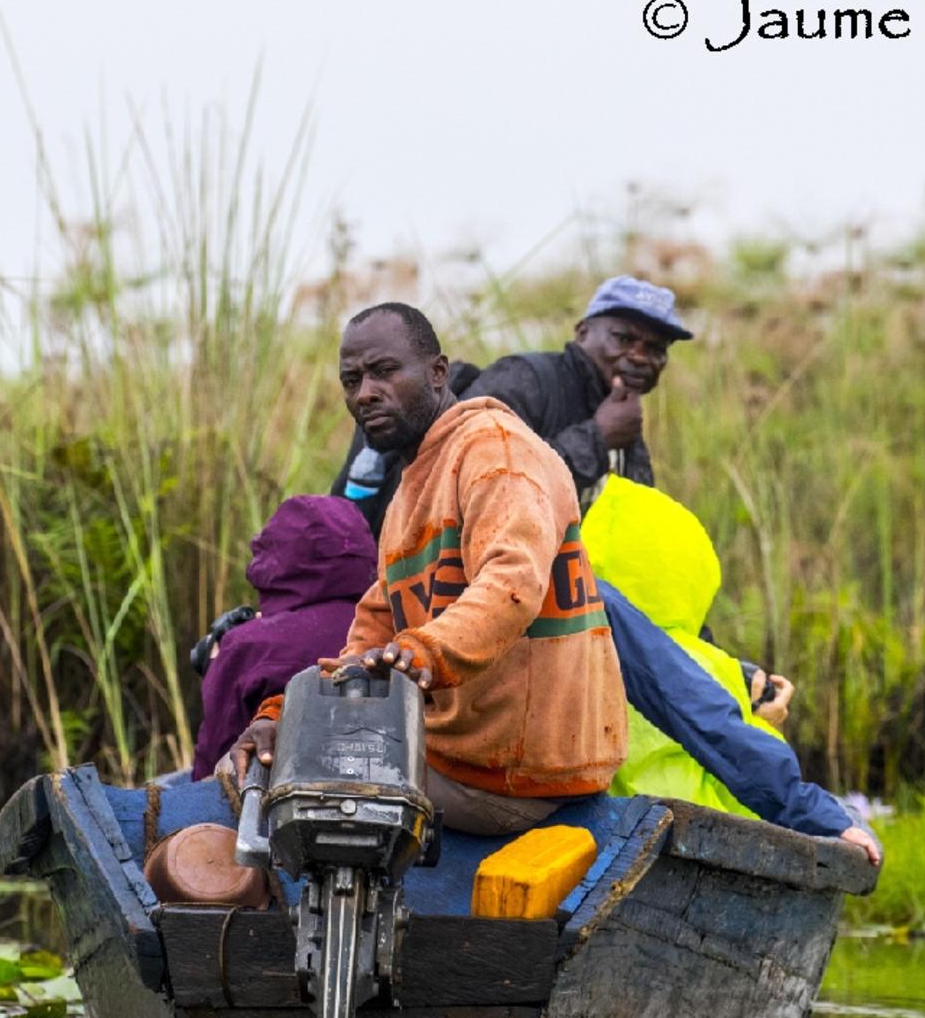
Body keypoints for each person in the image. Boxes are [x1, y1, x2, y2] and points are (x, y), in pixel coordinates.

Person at [222, 302, 628, 835]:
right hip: (454, 756)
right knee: (254, 761)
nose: (364, 392)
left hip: (515, 774)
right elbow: (372, 630)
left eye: (383, 371)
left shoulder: (495, 449)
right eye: (351, 380)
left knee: (274, 790)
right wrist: (281, 714)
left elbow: (512, 582)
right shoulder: (413, 486)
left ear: (438, 372)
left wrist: (422, 654)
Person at [582, 475, 880, 865]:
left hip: (599, 831)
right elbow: (731, 751)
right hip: (692, 840)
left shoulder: (575, 641)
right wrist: (765, 723)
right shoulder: (708, 664)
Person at [329, 274, 692, 532]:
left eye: (656, 349)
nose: (640, 357)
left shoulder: (622, 414)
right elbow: (465, 486)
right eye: (624, 338)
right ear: (583, 332)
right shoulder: (527, 380)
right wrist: (597, 438)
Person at [188, 495, 377, 781]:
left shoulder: (248, 644)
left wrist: (219, 667)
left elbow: (212, 760)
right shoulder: (390, 627)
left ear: (274, 557)